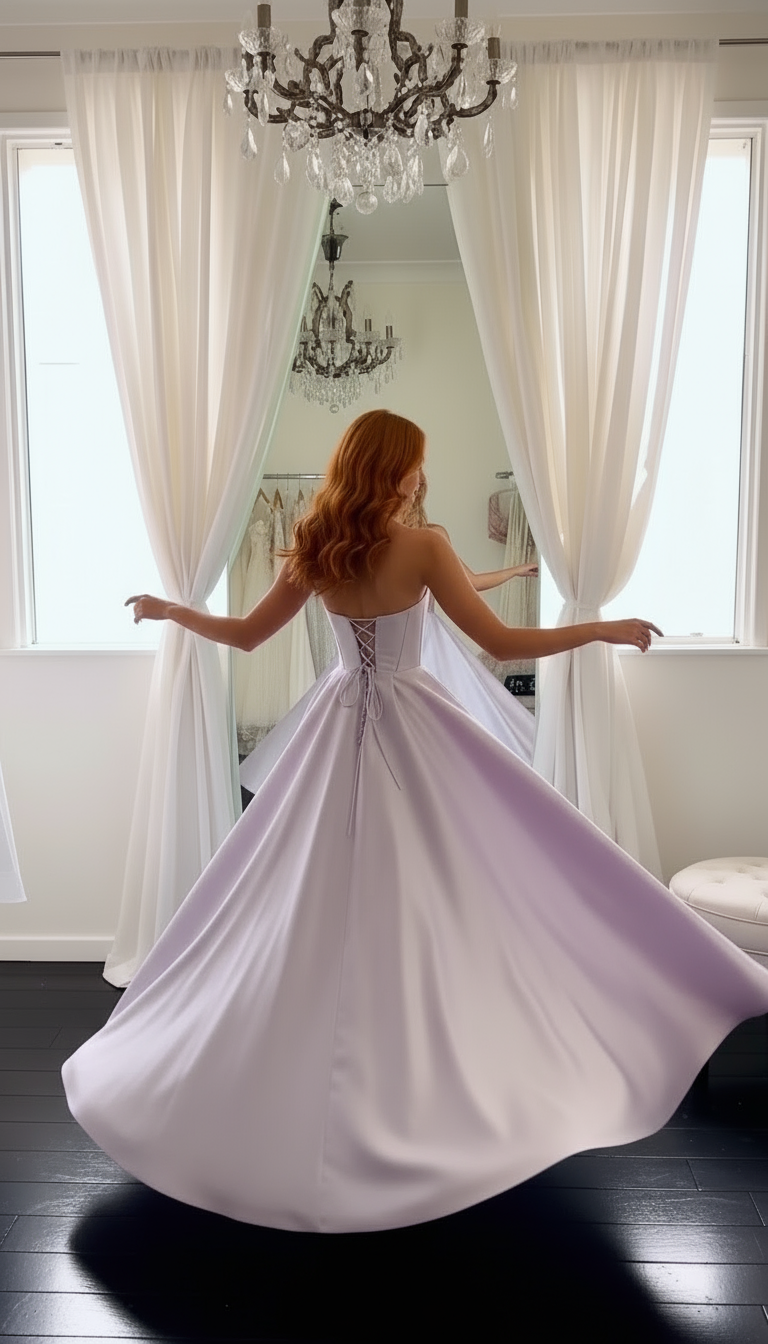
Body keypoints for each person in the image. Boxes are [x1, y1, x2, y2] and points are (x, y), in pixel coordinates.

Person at [62, 409, 768, 1235]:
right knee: (469, 883)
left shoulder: (319, 538)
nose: (416, 481)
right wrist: (600, 630)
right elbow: (501, 645)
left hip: (336, 728)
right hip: (409, 727)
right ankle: (434, 1071)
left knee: (307, 900)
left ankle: (326, 1069)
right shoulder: (423, 547)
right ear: (391, 467)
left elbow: (249, 637)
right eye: (412, 467)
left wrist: (174, 610)